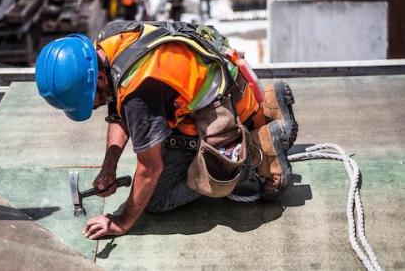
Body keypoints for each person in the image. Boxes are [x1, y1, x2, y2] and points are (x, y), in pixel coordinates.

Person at [35, 21, 297, 240]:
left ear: (100, 79)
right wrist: (109, 167)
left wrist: (122, 221)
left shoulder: (140, 91)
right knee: (152, 139)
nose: (92, 108)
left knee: (156, 200)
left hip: (225, 113)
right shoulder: (109, 39)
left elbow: (150, 169)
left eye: (89, 102)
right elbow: (118, 108)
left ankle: (257, 149)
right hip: (230, 85)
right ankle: (269, 107)